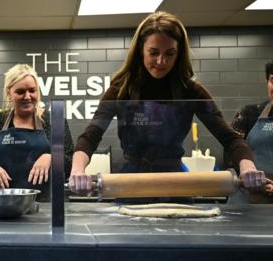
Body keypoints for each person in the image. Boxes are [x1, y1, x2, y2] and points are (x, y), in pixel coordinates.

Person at [68, 11, 267, 199]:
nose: (161, 61)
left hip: (175, 183)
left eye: (170, 54)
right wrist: (77, 170)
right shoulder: (121, 90)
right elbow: (90, 136)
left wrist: (247, 166)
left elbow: (230, 139)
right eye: (153, 52)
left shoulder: (192, 92)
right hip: (132, 184)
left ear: (179, 54)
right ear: (140, 51)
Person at [0, 64, 74, 201]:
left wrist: (51, 157)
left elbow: (71, 163)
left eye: (32, 90)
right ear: (9, 93)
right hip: (4, 203)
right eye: (20, 91)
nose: (27, 97)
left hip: (48, 204)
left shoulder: (54, 120)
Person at [229, 60, 273, 203]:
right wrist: (248, 176)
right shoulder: (249, 114)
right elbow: (230, 153)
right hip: (246, 198)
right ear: (267, 82)